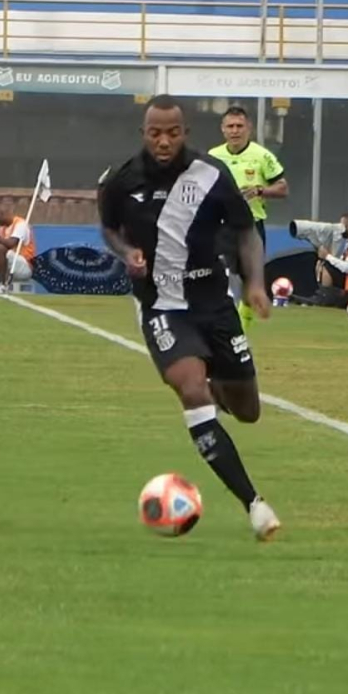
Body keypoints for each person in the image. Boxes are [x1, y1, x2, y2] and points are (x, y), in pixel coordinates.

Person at [98, 95, 280, 541]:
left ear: (186, 133)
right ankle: (254, 504)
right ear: (144, 133)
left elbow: (245, 233)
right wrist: (127, 253)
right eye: (155, 133)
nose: (163, 141)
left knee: (247, 410)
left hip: (214, 304)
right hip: (161, 305)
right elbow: (109, 229)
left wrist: (254, 282)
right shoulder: (122, 180)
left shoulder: (212, 175)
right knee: (191, 389)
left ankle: (215, 381)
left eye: (172, 133)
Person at [208, 105, 288, 331]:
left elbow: (283, 188)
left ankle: (241, 330)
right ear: (223, 129)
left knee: (249, 283)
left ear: (249, 129)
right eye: (230, 126)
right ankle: (218, 325)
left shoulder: (262, 156)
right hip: (220, 226)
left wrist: (260, 190)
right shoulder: (213, 156)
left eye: (239, 126)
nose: (235, 131)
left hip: (251, 227)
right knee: (218, 274)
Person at [0, 197, 35, 294]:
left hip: (24, 265)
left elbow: (11, 243)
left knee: (0, 249)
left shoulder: (20, 224)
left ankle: (2, 285)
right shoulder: (3, 229)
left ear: (2, 214)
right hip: (10, 262)